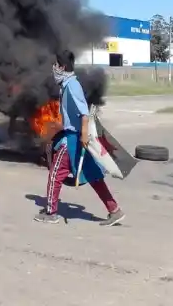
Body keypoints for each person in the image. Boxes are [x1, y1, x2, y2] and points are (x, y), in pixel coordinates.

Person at [34, 50, 125, 227]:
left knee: (55, 175)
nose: (54, 69)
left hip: (73, 141)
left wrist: (83, 135)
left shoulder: (71, 86)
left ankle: (51, 212)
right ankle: (114, 210)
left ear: (62, 67)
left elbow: (84, 113)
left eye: (56, 65)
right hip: (77, 138)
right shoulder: (68, 85)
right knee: (93, 176)